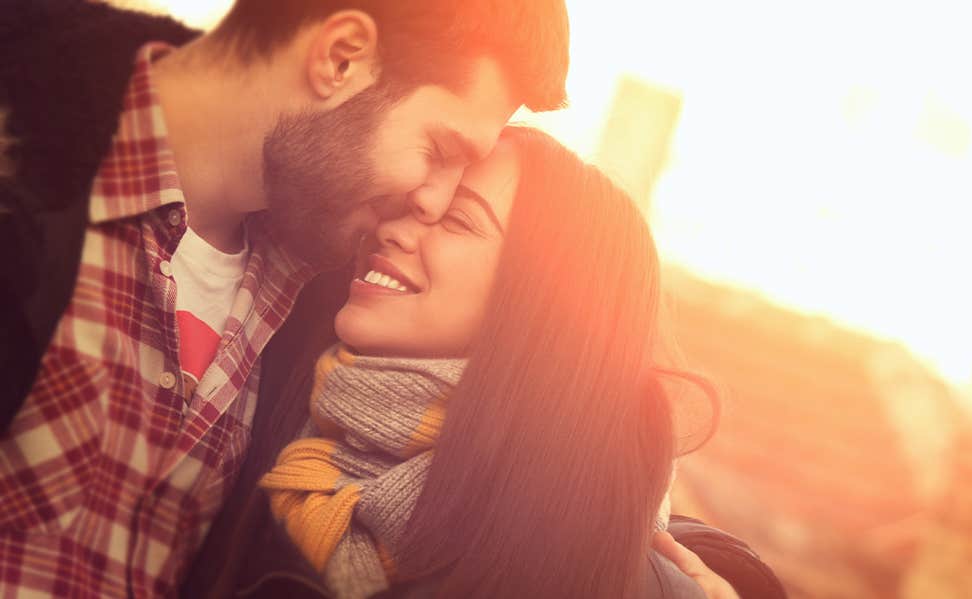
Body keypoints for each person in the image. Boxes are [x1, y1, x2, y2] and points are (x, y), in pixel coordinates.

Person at [0, 0, 568, 595]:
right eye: (440, 152)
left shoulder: (325, 287)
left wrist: (652, 556)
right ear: (340, 57)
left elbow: (530, 390)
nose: (433, 202)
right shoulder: (23, 176)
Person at [182, 126, 780, 598]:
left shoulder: (587, 560)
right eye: (416, 201)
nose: (396, 229)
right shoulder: (262, 373)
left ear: (538, 307)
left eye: (460, 219)